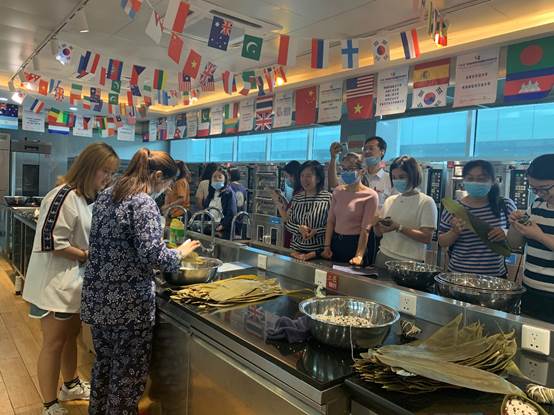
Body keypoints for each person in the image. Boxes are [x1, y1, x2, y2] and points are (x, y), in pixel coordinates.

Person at [81, 149, 200, 414]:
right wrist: (179, 253)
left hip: (98, 300)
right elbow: (153, 255)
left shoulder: (107, 194)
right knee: (126, 378)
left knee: (104, 368)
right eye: (168, 183)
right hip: (128, 307)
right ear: (157, 176)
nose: (167, 190)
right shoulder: (143, 202)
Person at [22, 143, 119, 415]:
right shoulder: (62, 195)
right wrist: (88, 255)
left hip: (72, 283)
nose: (108, 178)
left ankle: (71, 385)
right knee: (53, 342)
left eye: (112, 173)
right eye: (105, 171)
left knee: (70, 337)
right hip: (54, 285)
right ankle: (49, 404)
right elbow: (52, 241)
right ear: (89, 167)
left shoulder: (85, 198)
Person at [439, 160, 516, 277]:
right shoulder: (454, 208)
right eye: (470, 178)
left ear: (493, 181)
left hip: (494, 278)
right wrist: (454, 232)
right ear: (464, 181)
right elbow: (442, 242)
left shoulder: (505, 205)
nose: (475, 182)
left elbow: (518, 238)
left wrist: (505, 233)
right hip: (458, 276)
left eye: (481, 179)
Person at [508, 154, 554, 323]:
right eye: (534, 189)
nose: (540, 194)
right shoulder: (537, 205)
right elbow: (514, 244)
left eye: (544, 188)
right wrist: (515, 224)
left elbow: (537, 236)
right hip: (530, 289)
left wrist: (539, 236)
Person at [374, 156, 438, 271]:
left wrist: (399, 227)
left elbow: (427, 237)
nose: (397, 181)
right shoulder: (390, 200)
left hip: (410, 263)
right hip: (383, 256)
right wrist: (375, 223)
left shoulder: (426, 202)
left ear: (413, 176)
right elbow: (379, 233)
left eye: (402, 177)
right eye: (394, 177)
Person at [322, 153, 378, 266]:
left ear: (362, 170)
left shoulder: (370, 195)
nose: (346, 172)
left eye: (351, 169)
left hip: (355, 243)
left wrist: (359, 255)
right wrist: (327, 246)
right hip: (336, 241)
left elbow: (365, 229)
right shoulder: (338, 191)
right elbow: (331, 221)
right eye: (344, 169)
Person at [285, 161, 332, 261]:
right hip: (296, 251)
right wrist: (299, 228)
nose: (304, 179)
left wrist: (316, 231)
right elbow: (288, 223)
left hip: (318, 254)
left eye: (308, 176)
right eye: (302, 176)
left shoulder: (328, 198)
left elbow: (333, 226)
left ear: (318, 178)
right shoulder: (297, 198)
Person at [272, 160, 301, 248]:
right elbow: (290, 209)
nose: (286, 180)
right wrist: (282, 196)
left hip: (293, 239)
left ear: (293, 176)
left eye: (286, 176)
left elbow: (286, 218)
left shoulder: (300, 194)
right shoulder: (296, 192)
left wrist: (277, 202)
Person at [204, 166, 238, 239]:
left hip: (223, 231)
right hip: (211, 229)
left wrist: (222, 226)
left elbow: (231, 212)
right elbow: (206, 210)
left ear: (225, 179)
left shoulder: (229, 193)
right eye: (214, 177)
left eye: (220, 177)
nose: (216, 179)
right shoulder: (211, 194)